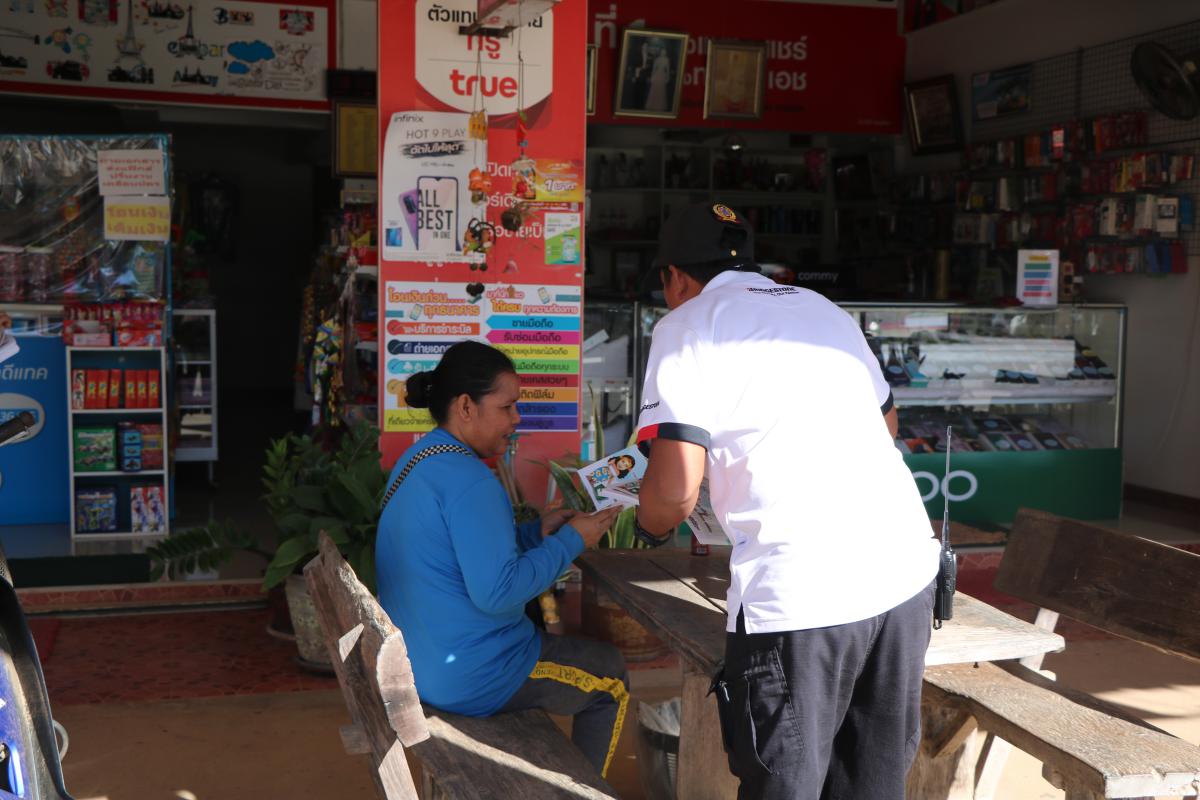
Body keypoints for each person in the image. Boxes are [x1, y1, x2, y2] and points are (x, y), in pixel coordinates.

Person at [631, 203, 940, 800]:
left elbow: (671, 493)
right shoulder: (822, 308)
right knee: (873, 783)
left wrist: (648, 525)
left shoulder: (686, 324)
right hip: (904, 575)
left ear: (675, 277)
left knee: (785, 785)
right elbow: (888, 426)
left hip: (801, 597)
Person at [375, 341, 628, 777]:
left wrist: (534, 534)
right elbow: (498, 593)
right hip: (470, 676)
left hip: (419, 661)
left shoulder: (419, 459)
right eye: (507, 407)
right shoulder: (472, 481)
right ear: (466, 407)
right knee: (611, 676)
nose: (516, 419)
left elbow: (457, 551)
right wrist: (571, 541)